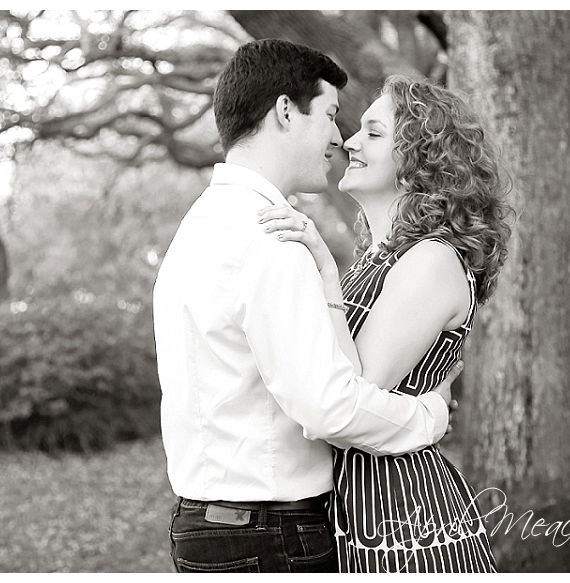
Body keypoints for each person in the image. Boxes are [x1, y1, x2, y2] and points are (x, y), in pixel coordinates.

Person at [153, 40, 463, 573]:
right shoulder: (272, 238)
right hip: (269, 534)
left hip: (204, 524)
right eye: (331, 114)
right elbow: (330, 407)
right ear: (284, 111)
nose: (338, 138)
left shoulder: (201, 226)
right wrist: (429, 415)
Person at [260, 74, 513, 572]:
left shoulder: (432, 258)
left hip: (404, 515)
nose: (349, 141)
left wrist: (325, 272)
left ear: (423, 158)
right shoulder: (380, 259)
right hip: (357, 507)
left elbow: (351, 392)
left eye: (374, 134)